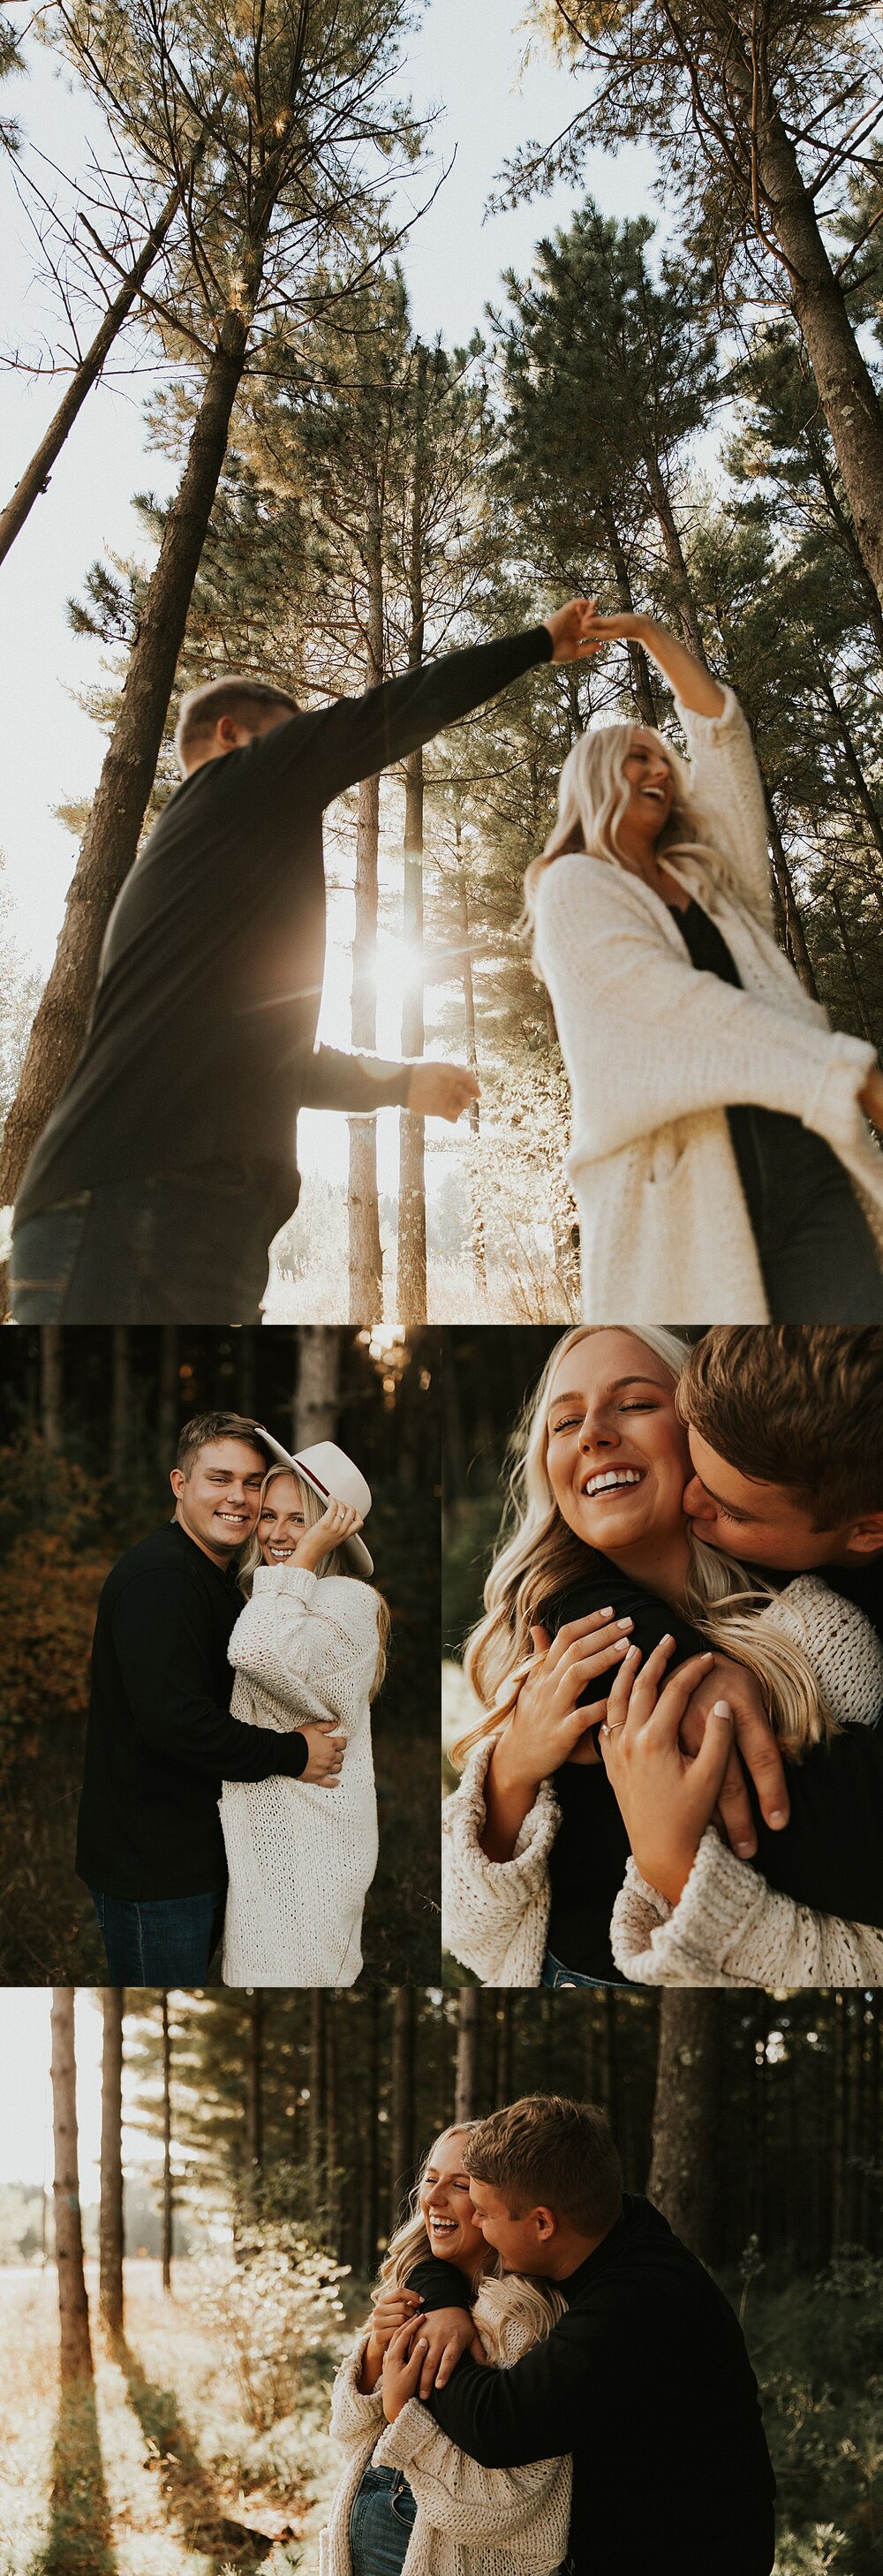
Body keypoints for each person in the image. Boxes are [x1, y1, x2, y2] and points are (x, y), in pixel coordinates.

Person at [10, 598, 600, 1324]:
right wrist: (538, 641)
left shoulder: (213, 878)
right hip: (134, 1204)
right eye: (296, 738)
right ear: (232, 735)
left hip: (176, 1215)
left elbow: (280, 1061)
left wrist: (403, 1081)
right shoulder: (238, 785)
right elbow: (385, 714)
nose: (315, 758)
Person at [442, 1326, 883, 1989]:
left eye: (637, 1403)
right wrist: (509, 1778)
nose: (593, 1431)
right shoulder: (545, 1652)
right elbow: (469, 1935)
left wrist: (672, 1863)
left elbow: (863, 1954)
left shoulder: (817, 1637)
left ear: (703, 1432)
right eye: (566, 1420)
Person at [526, 608, 883, 1321]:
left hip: (807, 1161)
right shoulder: (572, 888)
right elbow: (670, 1005)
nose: (660, 766)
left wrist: (653, 633)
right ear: (595, 777)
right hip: (682, 1198)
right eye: (637, 756)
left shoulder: (713, 878)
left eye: (664, 757)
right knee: (728, 1407)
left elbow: (721, 738)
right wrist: (846, 1070)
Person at [385, 2096, 776, 2576]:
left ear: (543, 2223)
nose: (480, 2228)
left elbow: (498, 2423)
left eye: (485, 2213)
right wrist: (444, 2303)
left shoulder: (638, 2304)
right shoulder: (611, 2226)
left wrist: (421, 2357)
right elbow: (447, 2255)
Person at [76, 1412, 346, 1985]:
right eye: (219, 1478)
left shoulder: (216, 1577)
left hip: (197, 1854)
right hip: (154, 1868)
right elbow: (176, 1722)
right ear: (180, 1484)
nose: (239, 1498)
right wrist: (293, 1754)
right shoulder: (161, 1577)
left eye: (253, 1482)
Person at [321, 2122, 570, 2576]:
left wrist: (401, 2410)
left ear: (492, 2205)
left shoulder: (523, 2320)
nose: (433, 2198)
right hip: (363, 2538)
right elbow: (347, 2432)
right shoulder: (416, 2288)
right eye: (431, 2178)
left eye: (460, 2185)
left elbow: (506, 2500)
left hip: (449, 2557)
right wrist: (376, 2356)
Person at [221, 1436, 387, 1986]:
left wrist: (309, 1556)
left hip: (312, 1849)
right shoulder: (278, 1598)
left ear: (331, 1528)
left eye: (301, 1519)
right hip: (268, 1843)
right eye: (268, 1516)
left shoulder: (348, 1601)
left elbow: (256, 1652)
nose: (276, 1534)